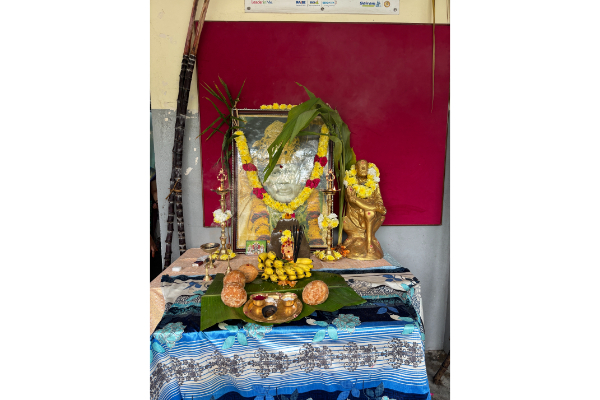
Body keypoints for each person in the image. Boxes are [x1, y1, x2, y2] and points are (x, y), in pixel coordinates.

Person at [343, 159, 387, 260]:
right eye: (361, 168)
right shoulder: (350, 182)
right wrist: (373, 206)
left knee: (370, 213)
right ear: (356, 170)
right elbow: (350, 200)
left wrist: (378, 205)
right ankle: (364, 240)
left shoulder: (374, 183)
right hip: (356, 212)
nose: (363, 170)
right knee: (369, 212)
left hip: (371, 211)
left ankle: (369, 240)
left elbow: (379, 199)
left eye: (365, 168)